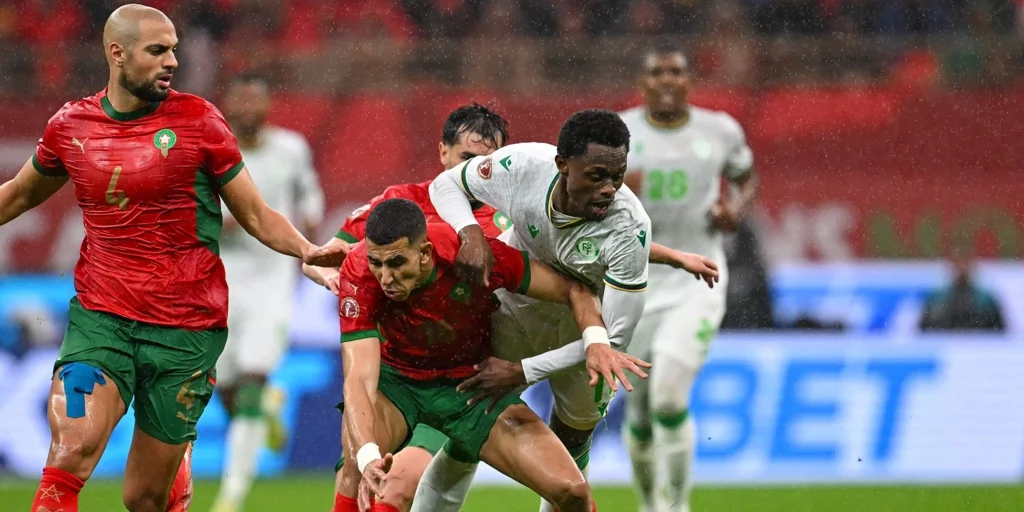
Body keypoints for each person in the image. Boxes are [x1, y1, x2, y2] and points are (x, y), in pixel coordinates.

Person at [0, 5, 341, 511]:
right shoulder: (72, 126)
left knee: (144, 499)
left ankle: (175, 471)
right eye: (158, 50)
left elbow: (254, 211)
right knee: (71, 451)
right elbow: (19, 194)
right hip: (102, 318)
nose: (173, 61)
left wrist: (308, 250)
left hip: (185, 329)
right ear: (117, 54)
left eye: (174, 50)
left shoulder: (199, 121)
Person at [418, 109, 720, 512]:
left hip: (585, 333)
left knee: (573, 440)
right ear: (562, 165)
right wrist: (470, 233)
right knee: (470, 428)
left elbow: (611, 345)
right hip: (512, 310)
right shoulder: (522, 166)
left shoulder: (630, 228)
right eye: (597, 176)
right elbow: (447, 185)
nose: (609, 189)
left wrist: (523, 371)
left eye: (618, 176)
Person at [304, 103, 512, 512]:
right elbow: (320, 258)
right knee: (355, 473)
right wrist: (330, 275)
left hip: (457, 382)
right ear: (442, 152)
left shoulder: (507, 222)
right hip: (392, 376)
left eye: (488, 163)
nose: (476, 172)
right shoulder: (400, 204)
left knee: (396, 487)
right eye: (467, 158)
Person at [337, 198, 605, 512]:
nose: (384, 278)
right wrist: (368, 456)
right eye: (376, 263)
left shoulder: (471, 256)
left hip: (471, 389)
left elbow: (574, 290)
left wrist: (596, 341)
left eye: (396, 263)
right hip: (398, 386)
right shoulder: (358, 270)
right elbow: (359, 377)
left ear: (425, 253)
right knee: (357, 466)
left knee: (573, 492)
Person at [618, 43, 758, 512]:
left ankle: (675, 507)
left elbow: (746, 176)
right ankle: (648, 503)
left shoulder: (719, 131)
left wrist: (734, 209)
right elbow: (585, 192)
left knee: (669, 397)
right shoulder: (620, 133)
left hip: (698, 282)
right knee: (639, 412)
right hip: (634, 286)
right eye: (657, 72)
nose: (667, 80)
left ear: (688, 82)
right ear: (643, 84)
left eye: (675, 72)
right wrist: (612, 193)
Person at [210, 73, 326, 512]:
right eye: (239, 98)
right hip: (221, 278)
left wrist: (310, 237)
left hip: (273, 281)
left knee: (254, 379)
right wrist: (224, 223)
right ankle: (269, 411)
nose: (246, 107)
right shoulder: (213, 152)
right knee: (225, 388)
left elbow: (310, 197)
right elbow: (193, 212)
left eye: (253, 99)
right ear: (229, 105)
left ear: (267, 105)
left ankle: (232, 495)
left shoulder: (291, 149)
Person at [919, 248, 1005, 332]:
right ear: (951, 266)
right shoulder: (937, 299)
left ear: (972, 266)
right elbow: (924, 330)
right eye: (958, 263)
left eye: (965, 263)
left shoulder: (986, 300)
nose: (962, 267)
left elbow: (999, 331)